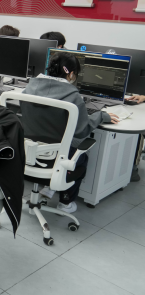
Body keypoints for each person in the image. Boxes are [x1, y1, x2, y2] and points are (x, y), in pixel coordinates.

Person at [22, 51, 119, 212]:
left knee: (52, 140)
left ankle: (49, 187)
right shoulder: (73, 97)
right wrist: (101, 116)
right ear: (71, 74)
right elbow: (82, 131)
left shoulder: (29, 88)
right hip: (56, 159)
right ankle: (65, 203)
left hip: (28, 153)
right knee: (81, 156)